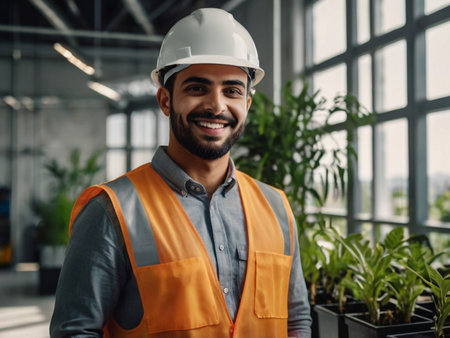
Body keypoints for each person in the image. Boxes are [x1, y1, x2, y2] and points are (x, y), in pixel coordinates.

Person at [50, 7, 311, 338]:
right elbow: (75, 332)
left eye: (232, 90)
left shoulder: (277, 209)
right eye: (197, 88)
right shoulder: (110, 212)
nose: (217, 105)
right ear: (165, 100)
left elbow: (297, 320)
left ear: (247, 104)